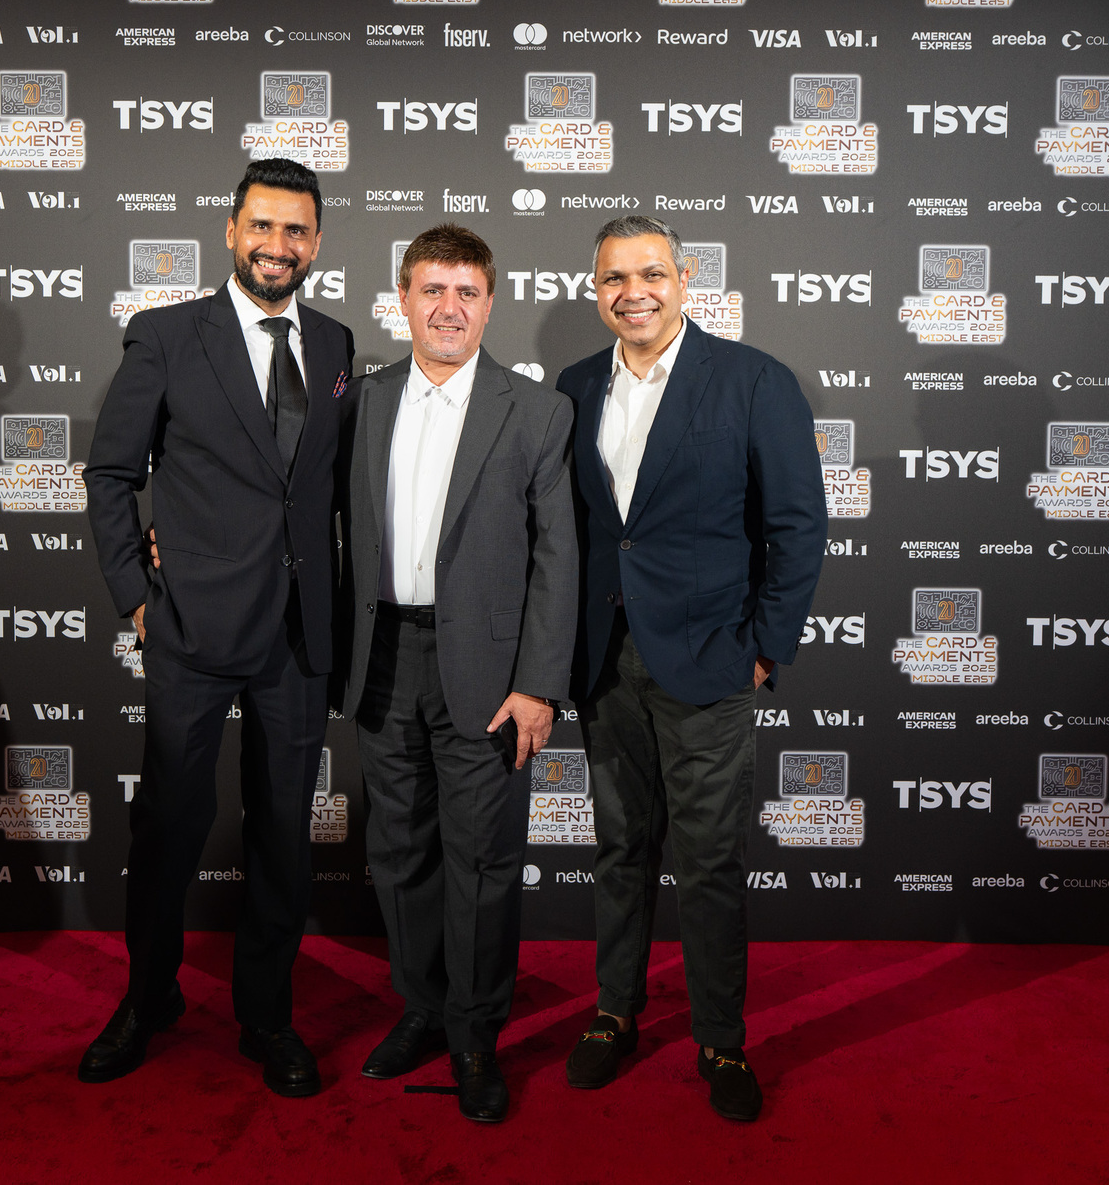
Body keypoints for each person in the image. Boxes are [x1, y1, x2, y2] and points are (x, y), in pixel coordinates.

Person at [79, 157, 353, 1098]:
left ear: (316, 242)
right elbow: (111, 474)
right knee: (168, 823)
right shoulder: (165, 335)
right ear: (231, 231)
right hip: (191, 628)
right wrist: (137, 595)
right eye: (262, 226)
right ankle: (147, 996)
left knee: (283, 831)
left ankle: (267, 1015)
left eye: (296, 230)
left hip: (298, 635)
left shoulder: (335, 341)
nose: (278, 245)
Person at [553, 215, 827, 1122]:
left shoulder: (754, 380)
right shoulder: (575, 385)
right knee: (620, 848)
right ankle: (614, 1012)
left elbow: (797, 525)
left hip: (711, 659)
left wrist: (765, 647)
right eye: (613, 278)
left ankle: (720, 1036)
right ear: (595, 290)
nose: (632, 292)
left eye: (650, 274)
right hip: (604, 657)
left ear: (684, 279)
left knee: (708, 860)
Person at [339, 224, 577, 1123]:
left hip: (490, 670)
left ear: (489, 303)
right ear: (401, 299)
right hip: (381, 656)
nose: (449, 308)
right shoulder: (361, 401)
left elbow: (558, 557)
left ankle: (475, 1034)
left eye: (467, 292)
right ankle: (422, 1008)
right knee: (399, 850)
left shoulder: (537, 410)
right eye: (432, 289)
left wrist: (539, 684)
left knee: (480, 858)